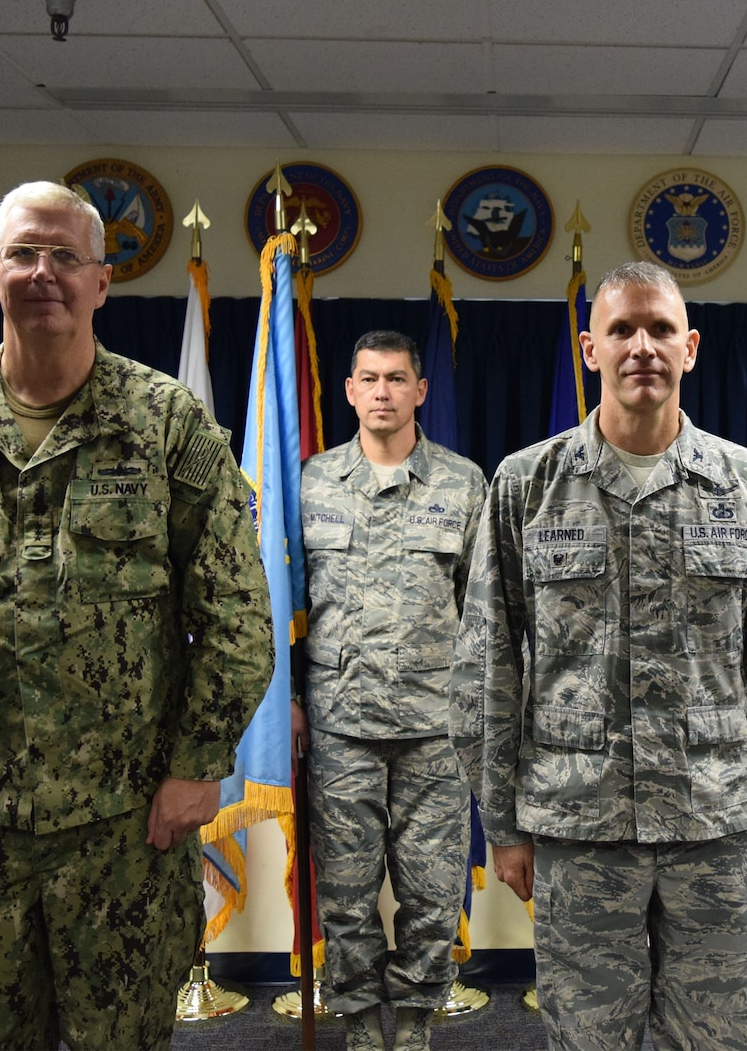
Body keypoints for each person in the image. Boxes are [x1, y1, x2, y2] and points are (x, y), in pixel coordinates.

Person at [0, 181, 275, 1049]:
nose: (45, 273)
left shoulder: (167, 425)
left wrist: (197, 762)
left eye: (66, 256)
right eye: (25, 254)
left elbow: (235, 615)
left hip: (127, 825)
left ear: (101, 282)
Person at [449, 261, 747, 1050]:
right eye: (622, 329)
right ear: (590, 348)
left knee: (720, 1039)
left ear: (691, 348)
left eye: (659, 330)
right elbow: (486, 665)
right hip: (580, 828)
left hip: (714, 821)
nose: (641, 347)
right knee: (589, 1041)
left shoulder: (746, 484)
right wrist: (503, 823)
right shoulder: (528, 484)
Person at [293, 330, 487, 1051]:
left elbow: (485, 609)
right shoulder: (311, 483)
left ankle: (412, 1024)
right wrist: (287, 701)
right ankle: (356, 1024)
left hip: (433, 728)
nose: (382, 392)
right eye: (368, 378)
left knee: (433, 892)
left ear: (419, 391)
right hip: (341, 726)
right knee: (344, 892)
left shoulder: (464, 484)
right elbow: (282, 605)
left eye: (396, 378)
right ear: (348, 390)